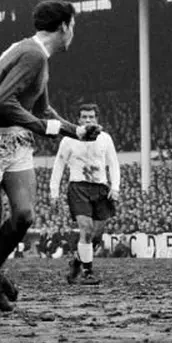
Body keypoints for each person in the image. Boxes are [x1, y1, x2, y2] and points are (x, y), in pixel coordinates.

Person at [0, 0, 98, 311]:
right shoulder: (32, 55)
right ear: (64, 27)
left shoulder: (31, 53)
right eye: (73, 26)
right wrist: (39, 127)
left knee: (24, 215)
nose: (73, 32)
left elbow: (42, 109)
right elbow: (1, 102)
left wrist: (76, 131)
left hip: (15, 141)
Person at [48, 102, 120, 286]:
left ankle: (76, 262)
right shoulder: (68, 140)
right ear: (78, 120)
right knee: (86, 229)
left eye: (91, 117)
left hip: (100, 188)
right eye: (84, 117)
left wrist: (115, 187)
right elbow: (59, 165)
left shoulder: (105, 138)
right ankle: (88, 272)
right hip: (78, 187)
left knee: (96, 235)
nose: (88, 120)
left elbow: (113, 163)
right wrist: (54, 192)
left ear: (97, 119)